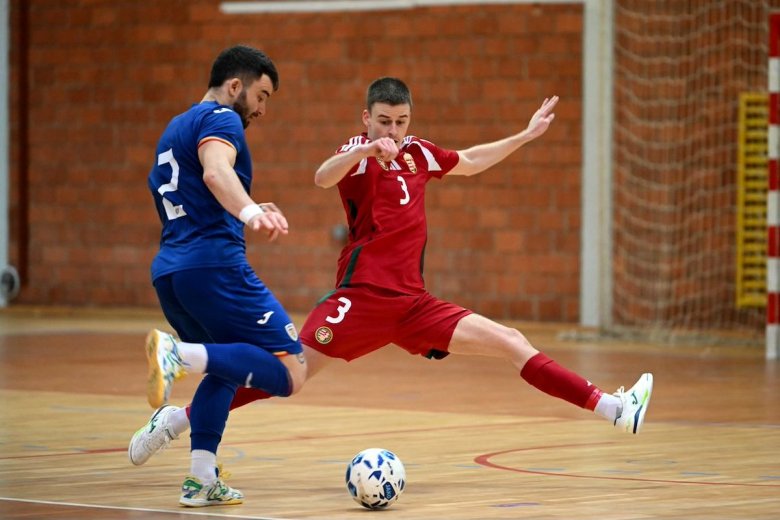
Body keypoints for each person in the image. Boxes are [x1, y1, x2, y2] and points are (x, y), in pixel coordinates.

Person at [129, 77, 653, 471]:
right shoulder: (356, 155)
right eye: (383, 121)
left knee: (512, 340)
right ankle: (176, 419)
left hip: (414, 305)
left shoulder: (421, 153)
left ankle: (612, 407)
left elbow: (469, 160)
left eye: (400, 122)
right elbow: (319, 177)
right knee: (290, 372)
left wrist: (526, 135)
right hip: (361, 299)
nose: (393, 131)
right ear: (367, 117)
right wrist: (364, 149)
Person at [129, 45, 308, 508]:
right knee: (291, 370)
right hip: (215, 267)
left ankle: (201, 479)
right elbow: (214, 172)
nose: (262, 109)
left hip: (172, 273)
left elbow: (198, 189)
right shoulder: (222, 118)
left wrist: (246, 206)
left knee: (224, 368)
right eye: (262, 95)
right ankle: (175, 355)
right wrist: (248, 212)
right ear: (235, 86)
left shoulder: (175, 127)